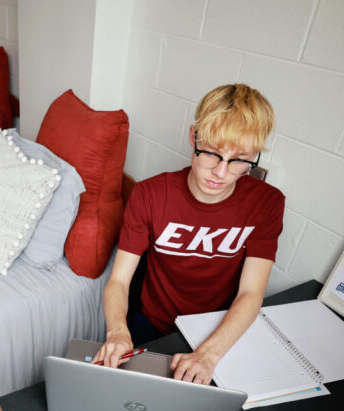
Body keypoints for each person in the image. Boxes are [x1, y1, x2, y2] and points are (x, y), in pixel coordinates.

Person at [92, 84, 283, 385]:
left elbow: (251, 293)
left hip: (219, 331)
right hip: (154, 325)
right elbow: (118, 281)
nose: (221, 172)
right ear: (194, 137)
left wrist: (209, 353)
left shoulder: (267, 203)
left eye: (239, 160)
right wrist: (117, 332)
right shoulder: (149, 195)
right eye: (212, 153)